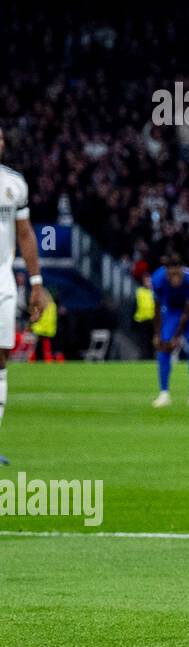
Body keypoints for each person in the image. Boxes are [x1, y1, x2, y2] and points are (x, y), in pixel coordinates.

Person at [0, 139, 48, 463]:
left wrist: (36, 282)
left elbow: (26, 234)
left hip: (2, 278)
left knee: (1, 358)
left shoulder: (14, 184)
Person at [151, 254, 189, 408]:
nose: (175, 277)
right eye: (171, 274)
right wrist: (157, 335)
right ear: (166, 272)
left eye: (177, 273)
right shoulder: (157, 280)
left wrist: (176, 337)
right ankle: (163, 393)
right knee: (163, 349)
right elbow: (156, 308)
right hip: (170, 311)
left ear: (182, 270)